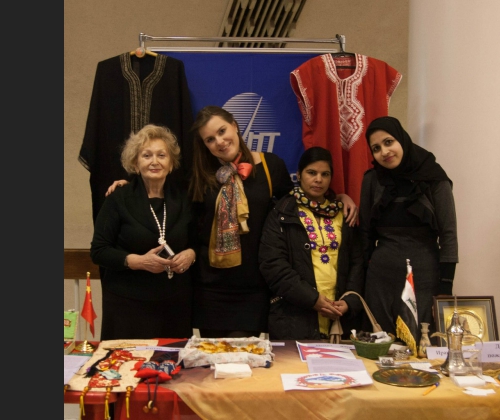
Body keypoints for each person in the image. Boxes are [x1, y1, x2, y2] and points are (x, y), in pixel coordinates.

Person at [106, 106, 359, 339]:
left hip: (253, 287)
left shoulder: (271, 166)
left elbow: (298, 204)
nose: (219, 141)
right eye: (210, 139)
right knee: (213, 362)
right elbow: (159, 184)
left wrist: (337, 197)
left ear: (235, 126)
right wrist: (130, 185)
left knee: (242, 361)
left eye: (222, 131)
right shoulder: (197, 174)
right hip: (209, 288)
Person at [91, 124, 196, 340]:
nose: (154, 161)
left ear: (171, 163)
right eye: (146, 155)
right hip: (127, 307)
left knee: (173, 361)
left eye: (161, 155)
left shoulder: (184, 198)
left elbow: (198, 240)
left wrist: (191, 254)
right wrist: (139, 262)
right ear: (135, 163)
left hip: (174, 306)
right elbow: (99, 251)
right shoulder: (118, 198)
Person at [360, 116, 458, 343]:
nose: (384, 152)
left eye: (388, 142)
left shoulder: (434, 178)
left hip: (424, 277)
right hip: (380, 279)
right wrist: (362, 280)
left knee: (422, 346)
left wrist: (445, 288)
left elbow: (449, 235)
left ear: (402, 139)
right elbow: (365, 235)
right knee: (379, 348)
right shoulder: (372, 180)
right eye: (376, 148)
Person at [258, 147, 364, 340]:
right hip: (294, 318)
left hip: (340, 319)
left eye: (325, 174)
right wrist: (313, 300)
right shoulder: (281, 213)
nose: (318, 179)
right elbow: (273, 265)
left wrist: (350, 301)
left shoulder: (343, 213)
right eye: (312, 173)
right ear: (299, 175)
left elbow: (357, 262)